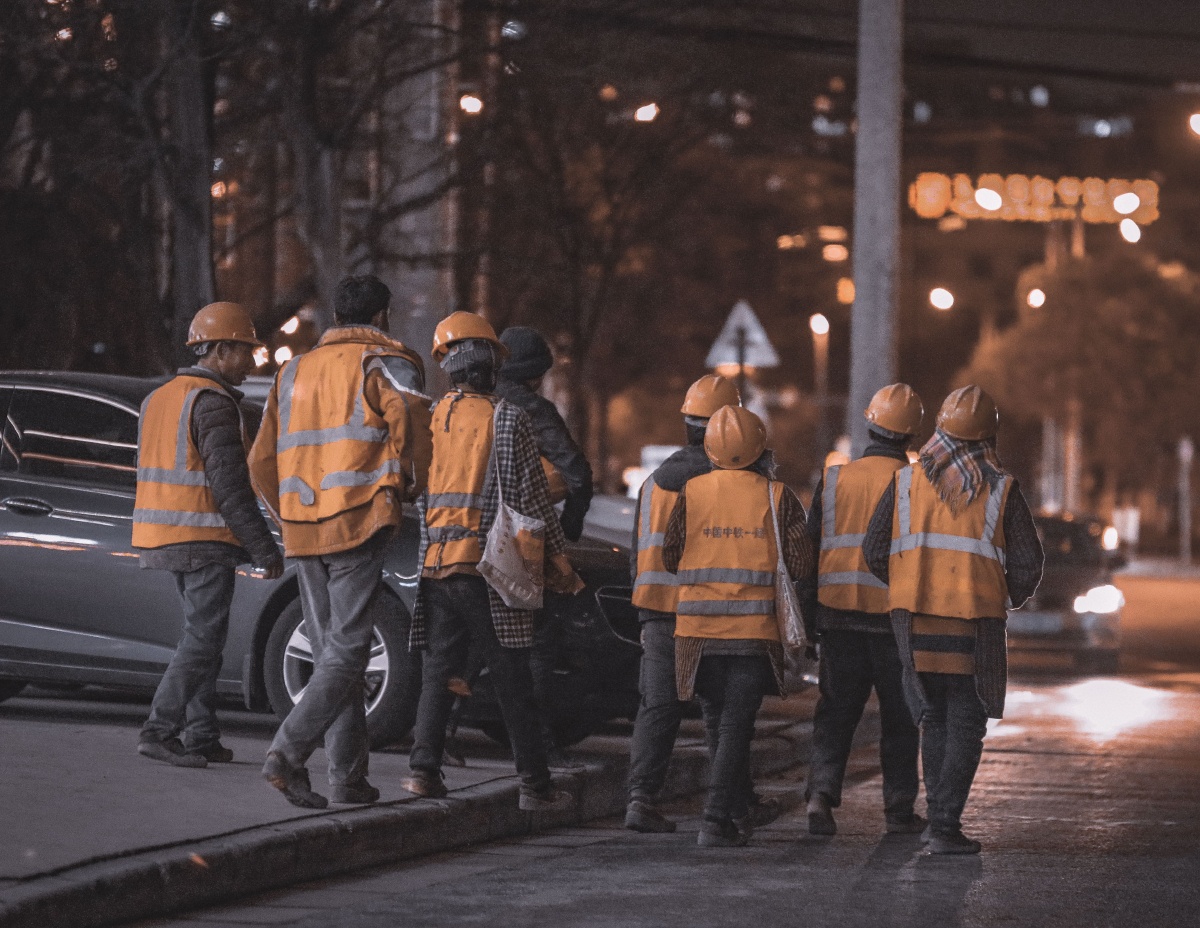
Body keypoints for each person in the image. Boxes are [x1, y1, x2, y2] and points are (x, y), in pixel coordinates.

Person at [250, 274, 432, 808]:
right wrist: (408, 488)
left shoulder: (292, 371)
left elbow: (261, 459)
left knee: (336, 652)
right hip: (357, 520)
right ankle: (286, 753)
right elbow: (413, 437)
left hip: (303, 528)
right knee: (348, 649)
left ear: (335, 318)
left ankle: (347, 779)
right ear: (381, 317)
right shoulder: (384, 364)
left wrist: (286, 515)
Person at [402, 312, 579, 812]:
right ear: (491, 366)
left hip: (436, 566)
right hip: (485, 569)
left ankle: (422, 771)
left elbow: (420, 494)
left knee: (440, 669)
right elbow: (530, 501)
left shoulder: (433, 417)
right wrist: (559, 563)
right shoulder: (508, 419)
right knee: (511, 676)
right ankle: (535, 786)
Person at [862, 385, 1043, 855]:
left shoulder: (905, 482)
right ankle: (944, 826)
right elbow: (1027, 563)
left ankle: (939, 822)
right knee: (966, 722)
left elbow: (874, 551)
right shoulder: (1002, 488)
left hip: (913, 624)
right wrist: (1005, 595)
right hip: (974, 626)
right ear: (989, 437)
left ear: (940, 428)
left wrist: (907, 583)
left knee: (934, 720)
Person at [134, 302, 284, 767]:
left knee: (203, 638)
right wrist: (265, 548)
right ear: (219, 350)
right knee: (202, 639)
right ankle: (159, 730)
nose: (253, 360)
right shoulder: (212, 403)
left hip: (165, 534)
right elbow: (230, 488)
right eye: (245, 351)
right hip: (202, 538)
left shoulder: (158, 397)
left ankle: (201, 733)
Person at [662, 405, 814, 847]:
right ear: (761, 450)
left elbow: (671, 556)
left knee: (717, 720)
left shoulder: (692, 491)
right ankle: (713, 819)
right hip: (752, 633)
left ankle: (729, 816)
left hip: (695, 633)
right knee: (735, 726)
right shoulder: (778, 496)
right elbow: (801, 562)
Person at [624, 374, 759, 833]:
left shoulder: (653, 482)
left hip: (657, 612)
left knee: (658, 706)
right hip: (706, 611)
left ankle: (641, 799)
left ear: (687, 422)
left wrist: (643, 611)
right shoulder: (724, 483)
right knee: (722, 712)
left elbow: (638, 548)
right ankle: (734, 806)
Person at [800, 384, 927, 837]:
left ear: (870, 425)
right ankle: (897, 810)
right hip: (894, 623)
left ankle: (820, 796)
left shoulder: (835, 480)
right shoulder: (915, 485)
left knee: (835, 714)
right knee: (900, 718)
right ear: (910, 435)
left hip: (838, 619)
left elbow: (808, 555)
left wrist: (808, 621)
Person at [496, 326, 594, 766]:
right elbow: (577, 473)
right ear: (536, 374)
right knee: (536, 643)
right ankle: (535, 747)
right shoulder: (534, 411)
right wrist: (569, 528)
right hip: (521, 540)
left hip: (459, 539)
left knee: (459, 645)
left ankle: (433, 749)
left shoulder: (468, 405)